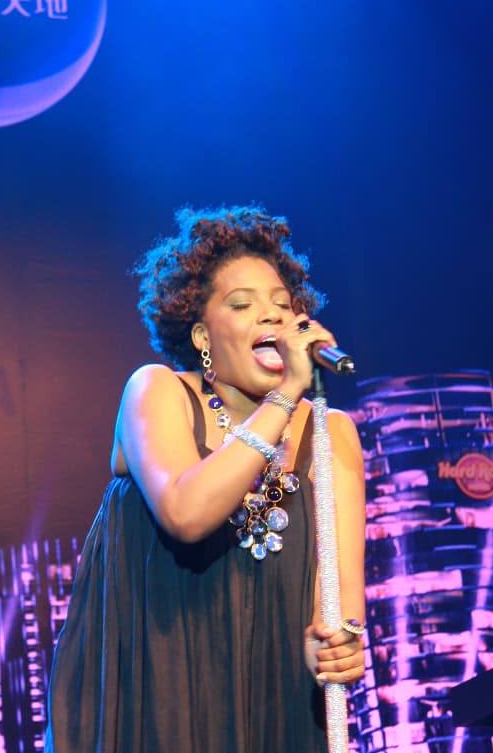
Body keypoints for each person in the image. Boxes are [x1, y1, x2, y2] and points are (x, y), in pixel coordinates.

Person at [45, 205, 366, 753]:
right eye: (242, 305)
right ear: (202, 336)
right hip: (155, 697)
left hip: (276, 707)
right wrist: (285, 396)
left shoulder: (330, 433)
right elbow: (187, 513)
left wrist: (340, 645)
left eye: (282, 306)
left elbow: (339, 601)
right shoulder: (156, 391)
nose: (270, 318)